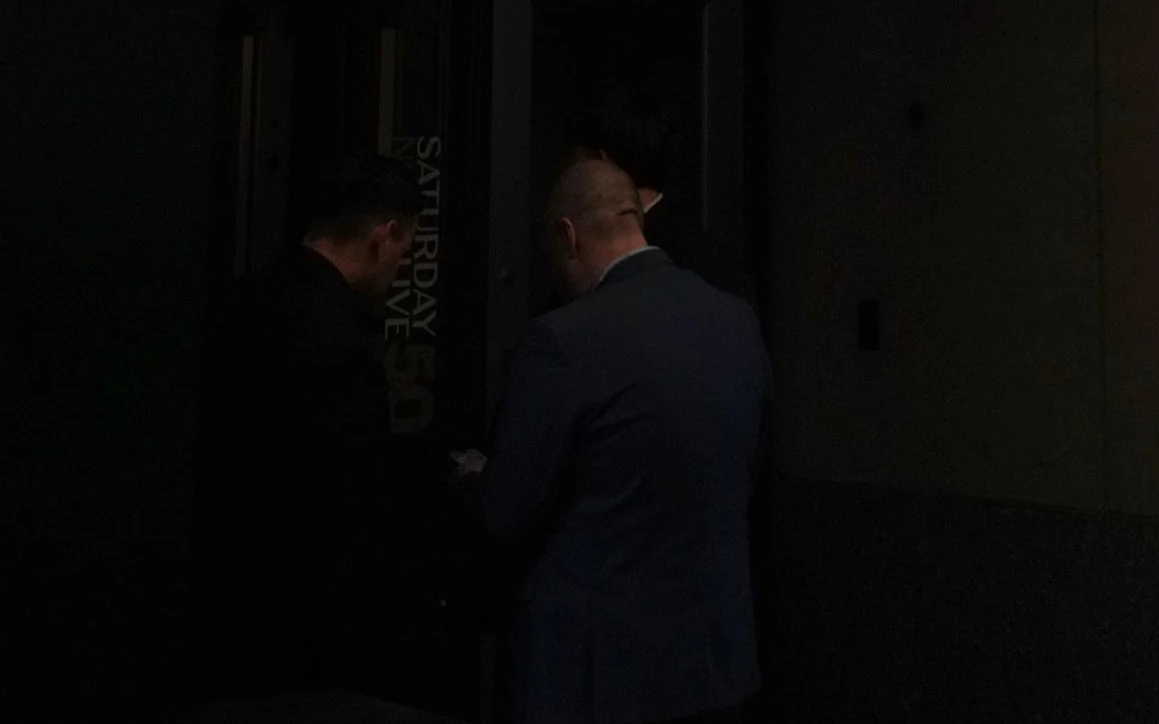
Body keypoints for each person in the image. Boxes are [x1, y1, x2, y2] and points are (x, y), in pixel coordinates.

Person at [466, 152, 770, 724]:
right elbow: (739, 476)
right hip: (713, 665)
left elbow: (507, 513)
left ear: (567, 235)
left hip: (592, 677)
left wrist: (477, 480)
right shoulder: (736, 322)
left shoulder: (561, 341)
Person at [198, 151, 422, 695]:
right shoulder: (341, 345)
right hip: (309, 634)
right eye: (404, 251)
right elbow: (349, 515)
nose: (401, 270)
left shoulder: (239, 304)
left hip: (226, 611)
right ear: (383, 235)